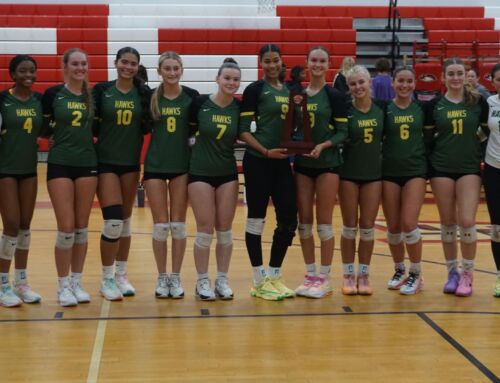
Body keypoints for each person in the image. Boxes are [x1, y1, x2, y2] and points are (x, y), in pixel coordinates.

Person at [425, 57, 489, 297]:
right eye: (450, 74)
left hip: (469, 167)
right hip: (441, 168)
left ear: (466, 76)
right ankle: (452, 272)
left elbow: (486, 130)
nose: (455, 78)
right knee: (448, 223)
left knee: (467, 221)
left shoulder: (477, 102)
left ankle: (467, 274)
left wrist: (474, 145)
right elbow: (429, 139)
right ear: (443, 77)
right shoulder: (434, 106)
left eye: (459, 73)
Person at [239, 44, 297, 301]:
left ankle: (274, 274)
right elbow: (243, 130)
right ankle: (257, 278)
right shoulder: (254, 90)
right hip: (258, 161)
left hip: (282, 162)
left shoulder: (292, 92)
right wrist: (264, 151)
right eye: (267, 61)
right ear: (260, 63)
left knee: (288, 218)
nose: (272, 66)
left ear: (282, 62)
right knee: (256, 219)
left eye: (276, 61)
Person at [92, 47, 152, 301]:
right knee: (113, 220)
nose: (128, 67)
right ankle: (106, 278)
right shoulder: (102, 91)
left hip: (130, 163)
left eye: (133, 63)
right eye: (124, 62)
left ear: (138, 67)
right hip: (105, 162)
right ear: (116, 63)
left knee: (125, 221)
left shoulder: (143, 95)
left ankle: (121, 274)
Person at [42, 48, 98, 307]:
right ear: (65, 66)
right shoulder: (54, 94)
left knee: (81, 227)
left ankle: (77, 281)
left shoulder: (92, 96)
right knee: (66, 227)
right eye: (75, 64)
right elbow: (43, 126)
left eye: (84, 64)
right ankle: (62, 284)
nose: (80, 68)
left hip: (87, 163)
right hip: (60, 165)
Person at [144, 51, 199, 299]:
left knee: (178, 226)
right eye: (167, 68)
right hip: (155, 164)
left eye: (176, 68)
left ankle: (175, 277)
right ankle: (161, 276)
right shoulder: (151, 97)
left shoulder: (191, 97)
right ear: (159, 71)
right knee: (159, 227)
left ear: (182, 69)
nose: (172, 72)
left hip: (181, 166)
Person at [293, 46, 347, 298]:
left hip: (327, 165)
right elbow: (291, 128)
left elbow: (343, 132)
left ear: (328, 64)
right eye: (313, 59)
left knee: (324, 224)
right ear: (307, 63)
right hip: (303, 166)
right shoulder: (298, 95)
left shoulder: (334, 96)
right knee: (304, 224)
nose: (317, 64)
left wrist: (323, 145)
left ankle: (324, 277)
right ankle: (310, 273)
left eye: (322, 60)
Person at [188, 58, 241, 301]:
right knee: (205, 230)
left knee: (225, 230)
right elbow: (186, 133)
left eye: (235, 79)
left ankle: (222, 279)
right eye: (227, 78)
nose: (231, 82)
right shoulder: (200, 103)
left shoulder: (238, 108)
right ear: (217, 79)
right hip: (200, 172)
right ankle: (202, 281)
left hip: (227, 173)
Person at [0, 55, 43, 307]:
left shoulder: (38, 101)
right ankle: (3, 283)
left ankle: (22, 281)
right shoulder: (3, 100)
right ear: (13, 75)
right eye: (23, 71)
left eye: (32, 71)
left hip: (29, 169)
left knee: (26, 225)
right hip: (5, 169)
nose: (29, 75)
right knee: (12, 224)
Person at [339, 65, 384, 296]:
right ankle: (348, 273)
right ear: (349, 87)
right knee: (349, 227)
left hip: (373, 176)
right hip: (348, 175)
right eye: (353, 84)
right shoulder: (345, 112)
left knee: (367, 227)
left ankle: (364, 273)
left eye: (361, 83)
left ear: (369, 84)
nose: (358, 87)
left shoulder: (381, 111)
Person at [382, 66, 427, 295]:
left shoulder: (422, 108)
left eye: (409, 81)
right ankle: (399, 269)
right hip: (389, 172)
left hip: (415, 171)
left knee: (409, 223)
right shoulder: (385, 109)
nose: (404, 85)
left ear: (414, 83)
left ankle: (416, 273)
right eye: (400, 80)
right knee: (393, 227)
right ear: (393, 83)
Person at [483, 63, 500, 297]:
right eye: (498, 79)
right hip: (493, 168)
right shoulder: (488, 103)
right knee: (497, 225)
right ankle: (499, 274)